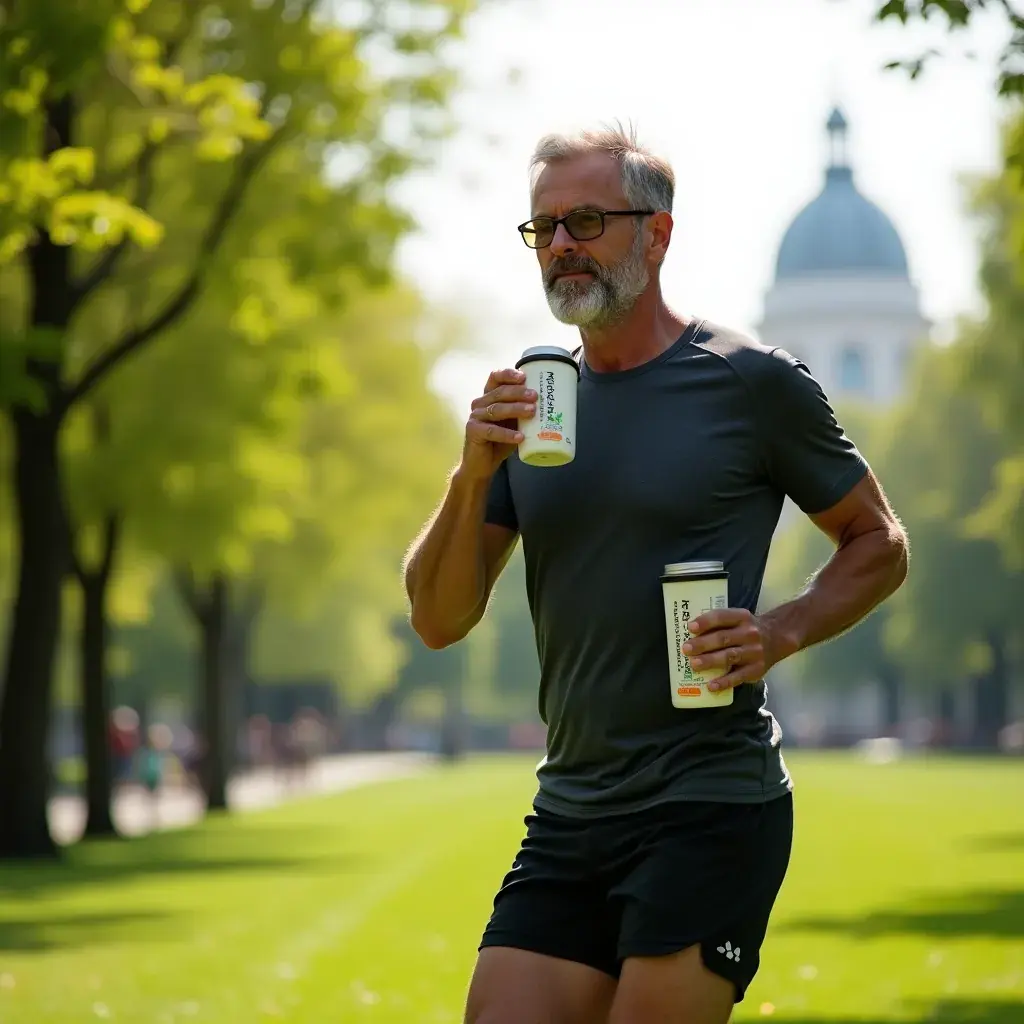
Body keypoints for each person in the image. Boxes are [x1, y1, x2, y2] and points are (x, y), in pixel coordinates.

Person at [403, 124, 909, 1024]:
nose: (561, 245)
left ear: (657, 233)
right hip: (570, 809)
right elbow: (439, 619)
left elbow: (878, 540)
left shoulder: (750, 381)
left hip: (709, 804)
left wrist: (781, 629)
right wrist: (470, 472)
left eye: (586, 220)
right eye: (543, 228)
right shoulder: (536, 403)